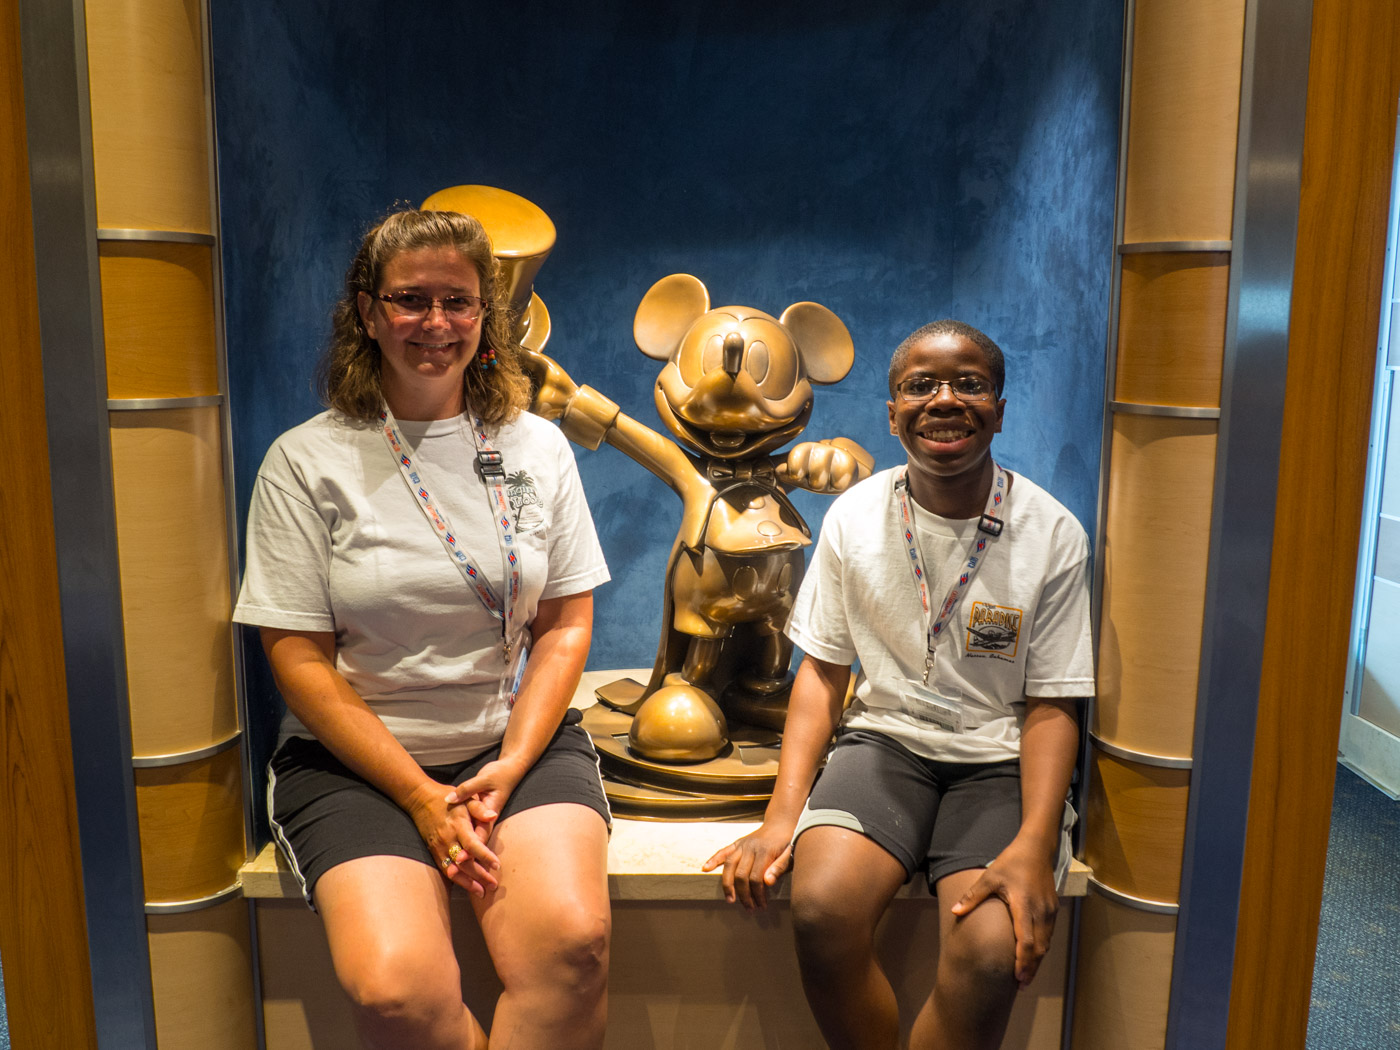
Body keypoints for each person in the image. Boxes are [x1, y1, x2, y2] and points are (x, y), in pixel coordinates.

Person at [233, 209, 613, 1050]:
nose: (437, 323)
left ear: (489, 317)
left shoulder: (536, 447)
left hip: (511, 747)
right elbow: (296, 658)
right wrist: (417, 794)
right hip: (355, 766)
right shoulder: (305, 461)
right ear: (367, 313)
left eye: (459, 301)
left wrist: (512, 762)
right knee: (396, 990)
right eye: (411, 300)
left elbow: (565, 624)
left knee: (574, 946)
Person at [704, 320, 1093, 1050]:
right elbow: (821, 671)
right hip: (884, 748)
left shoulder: (1052, 533)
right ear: (892, 413)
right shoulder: (855, 517)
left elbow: (1052, 701)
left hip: (998, 763)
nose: (945, 400)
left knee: (986, 953)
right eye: (921, 385)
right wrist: (782, 814)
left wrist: (1037, 842)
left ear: (1000, 408)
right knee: (820, 910)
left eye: (969, 383)